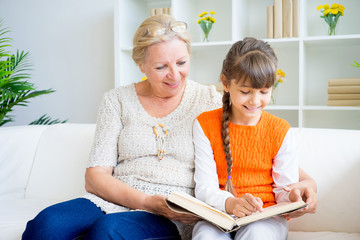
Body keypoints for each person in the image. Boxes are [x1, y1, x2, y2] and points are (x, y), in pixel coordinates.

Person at [22, 15, 316, 240]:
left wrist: (307, 183)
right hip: (110, 200)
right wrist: (146, 201)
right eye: (161, 67)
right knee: (44, 227)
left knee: (108, 231)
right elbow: (95, 177)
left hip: (176, 212)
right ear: (141, 65)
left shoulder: (211, 99)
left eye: (182, 62)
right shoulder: (116, 100)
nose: (174, 75)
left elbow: (258, 141)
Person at [192, 37, 304, 240]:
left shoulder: (280, 130)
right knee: (205, 236)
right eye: (245, 91)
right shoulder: (204, 124)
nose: (255, 101)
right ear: (226, 83)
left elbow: (283, 190)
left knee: (256, 235)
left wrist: (292, 196)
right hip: (219, 214)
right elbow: (205, 187)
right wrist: (231, 203)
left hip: (265, 217)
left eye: (264, 91)